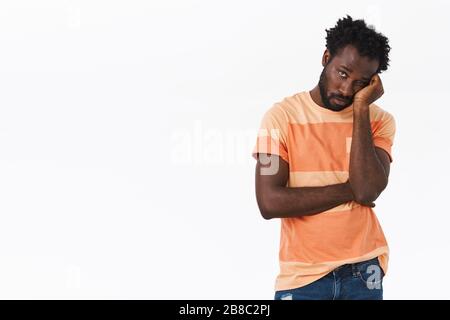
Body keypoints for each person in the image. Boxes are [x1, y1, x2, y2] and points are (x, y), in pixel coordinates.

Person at [252, 15, 395, 300]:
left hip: (364, 270)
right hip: (303, 277)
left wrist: (361, 109)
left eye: (360, 83)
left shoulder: (379, 121)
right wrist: (348, 190)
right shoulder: (281, 118)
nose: (346, 89)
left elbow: (367, 189)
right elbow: (270, 202)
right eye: (342, 74)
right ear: (326, 57)